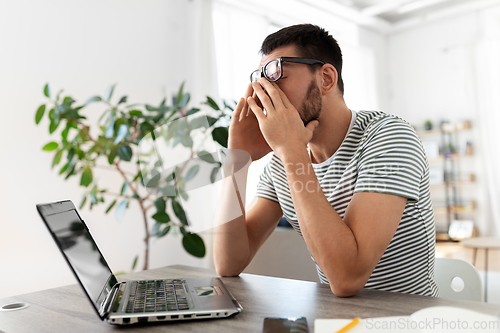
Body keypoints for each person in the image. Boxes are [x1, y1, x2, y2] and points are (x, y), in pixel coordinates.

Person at [213, 23, 438, 297]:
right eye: (261, 78)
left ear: (326, 79)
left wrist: (291, 151)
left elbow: (347, 278)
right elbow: (229, 263)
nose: (265, 90)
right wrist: (236, 160)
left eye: (277, 72)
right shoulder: (283, 160)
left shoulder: (389, 137)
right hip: (337, 320)